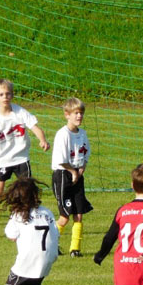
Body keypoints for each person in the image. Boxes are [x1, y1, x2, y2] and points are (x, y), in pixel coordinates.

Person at [0, 78, 50, 239]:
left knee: (27, 189)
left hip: (21, 158)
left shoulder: (20, 112)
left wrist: (42, 140)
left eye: (8, 94)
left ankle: (28, 220)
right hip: (2, 160)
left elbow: (35, 127)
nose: (5, 97)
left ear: (12, 95)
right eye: (1, 94)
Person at [0, 178, 59, 285]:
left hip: (30, 256)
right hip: (49, 255)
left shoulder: (18, 214)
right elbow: (56, 232)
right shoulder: (47, 212)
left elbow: (11, 234)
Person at [51, 97, 93, 257]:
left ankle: (75, 249)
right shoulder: (63, 134)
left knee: (79, 214)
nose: (79, 116)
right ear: (67, 114)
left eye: (81, 113)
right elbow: (61, 160)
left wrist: (81, 169)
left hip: (77, 174)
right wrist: (73, 172)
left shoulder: (82, 134)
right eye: (76, 113)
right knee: (64, 216)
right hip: (63, 175)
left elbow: (85, 154)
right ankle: (51, 244)